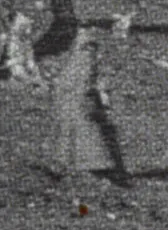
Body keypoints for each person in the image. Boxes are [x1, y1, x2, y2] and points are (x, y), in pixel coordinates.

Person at [48, 27, 122, 178]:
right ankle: (68, 161)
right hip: (80, 52)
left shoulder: (88, 51)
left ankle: (89, 163)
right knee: (72, 113)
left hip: (85, 49)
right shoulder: (82, 53)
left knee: (79, 114)